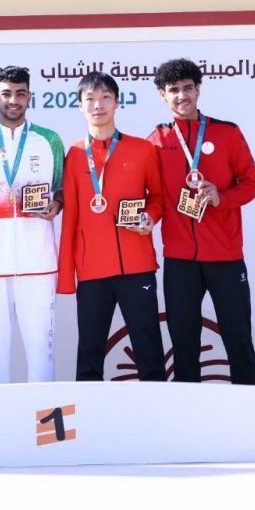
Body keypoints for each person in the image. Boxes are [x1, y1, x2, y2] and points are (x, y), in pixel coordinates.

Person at [147, 58, 255, 385]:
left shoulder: (227, 133)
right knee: (183, 344)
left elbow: (252, 183)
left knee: (238, 339)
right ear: (162, 95)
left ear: (198, 90)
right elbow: (151, 195)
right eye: (173, 90)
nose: (181, 95)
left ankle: (249, 406)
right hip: (180, 259)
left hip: (225, 256)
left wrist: (221, 198)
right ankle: (189, 411)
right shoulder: (157, 140)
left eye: (188, 88)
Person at [58, 71, 167, 382]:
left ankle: (157, 406)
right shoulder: (74, 154)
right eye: (90, 98)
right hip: (91, 270)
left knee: (149, 349)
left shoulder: (142, 149)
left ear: (118, 102)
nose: (98, 105)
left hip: (137, 266)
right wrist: (67, 276)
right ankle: (87, 411)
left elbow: (158, 197)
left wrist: (150, 217)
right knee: (89, 354)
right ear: (80, 105)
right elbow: (71, 218)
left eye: (106, 97)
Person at [0, 66, 65, 384]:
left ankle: (45, 412)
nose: (13, 100)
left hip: (38, 261)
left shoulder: (49, 140)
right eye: (6, 94)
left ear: (30, 96)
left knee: (42, 352)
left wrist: (57, 204)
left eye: (20, 93)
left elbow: (61, 188)